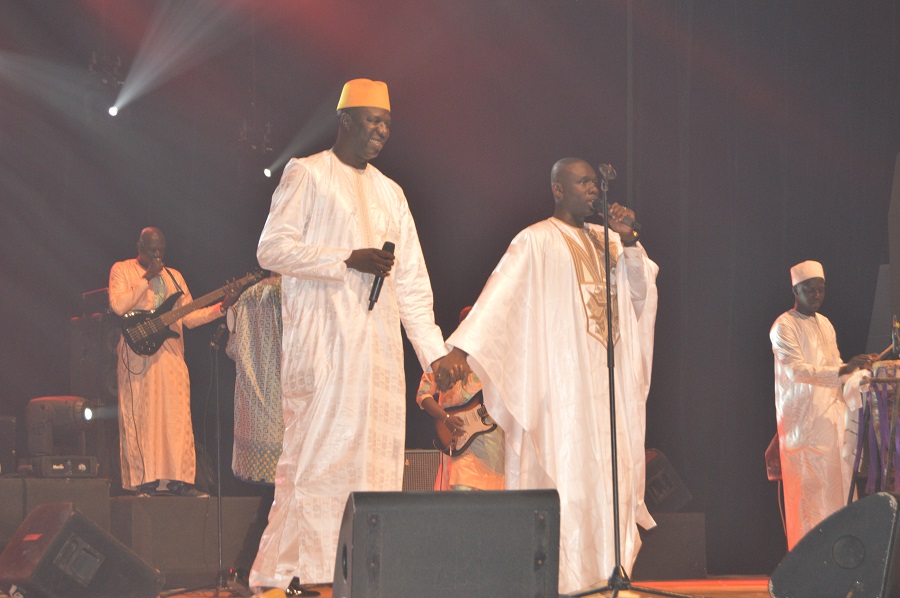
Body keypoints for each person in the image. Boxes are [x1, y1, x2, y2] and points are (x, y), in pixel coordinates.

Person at [251, 78, 455, 594]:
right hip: (323, 346)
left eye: (387, 123)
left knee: (374, 460)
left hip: (378, 352)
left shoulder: (392, 192)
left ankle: (359, 569)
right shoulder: (307, 173)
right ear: (345, 121)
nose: (382, 131)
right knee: (314, 457)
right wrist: (346, 259)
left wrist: (434, 355)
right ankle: (288, 573)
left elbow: (411, 283)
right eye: (372, 121)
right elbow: (271, 250)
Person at [433, 158, 658, 593]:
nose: (593, 189)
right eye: (583, 181)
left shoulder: (607, 242)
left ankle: (610, 573)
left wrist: (630, 244)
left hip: (606, 386)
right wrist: (459, 350)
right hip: (563, 386)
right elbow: (499, 295)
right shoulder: (535, 240)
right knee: (566, 474)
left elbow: (637, 294)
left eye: (595, 182)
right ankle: (564, 578)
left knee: (610, 479)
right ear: (558, 189)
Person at [109, 227, 238, 497]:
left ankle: (179, 481)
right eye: (151, 250)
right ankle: (145, 481)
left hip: (170, 355)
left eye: (161, 251)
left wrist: (222, 307)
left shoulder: (175, 276)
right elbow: (119, 306)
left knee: (176, 418)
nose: (157, 256)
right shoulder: (122, 270)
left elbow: (188, 317)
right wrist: (147, 278)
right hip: (138, 355)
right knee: (142, 417)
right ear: (139, 247)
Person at [770, 260, 875, 549]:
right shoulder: (783, 326)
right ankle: (808, 572)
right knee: (810, 499)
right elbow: (797, 371)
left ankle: (840, 562)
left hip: (831, 422)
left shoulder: (825, 324)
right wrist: (843, 370)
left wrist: (858, 369)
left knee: (838, 495)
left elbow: (834, 366)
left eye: (821, 289)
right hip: (803, 429)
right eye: (810, 290)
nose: (817, 295)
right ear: (795, 289)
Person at [223, 273, 283, 584]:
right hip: (285, 416)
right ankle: (249, 571)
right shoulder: (293, 292)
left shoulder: (247, 297)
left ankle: (247, 570)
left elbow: (233, 348)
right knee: (278, 500)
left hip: (258, 418)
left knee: (275, 500)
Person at [415, 306, 504, 491]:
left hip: (493, 449)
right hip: (461, 443)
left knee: (494, 509)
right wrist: (445, 417)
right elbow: (423, 394)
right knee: (462, 497)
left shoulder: (494, 361)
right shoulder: (443, 358)